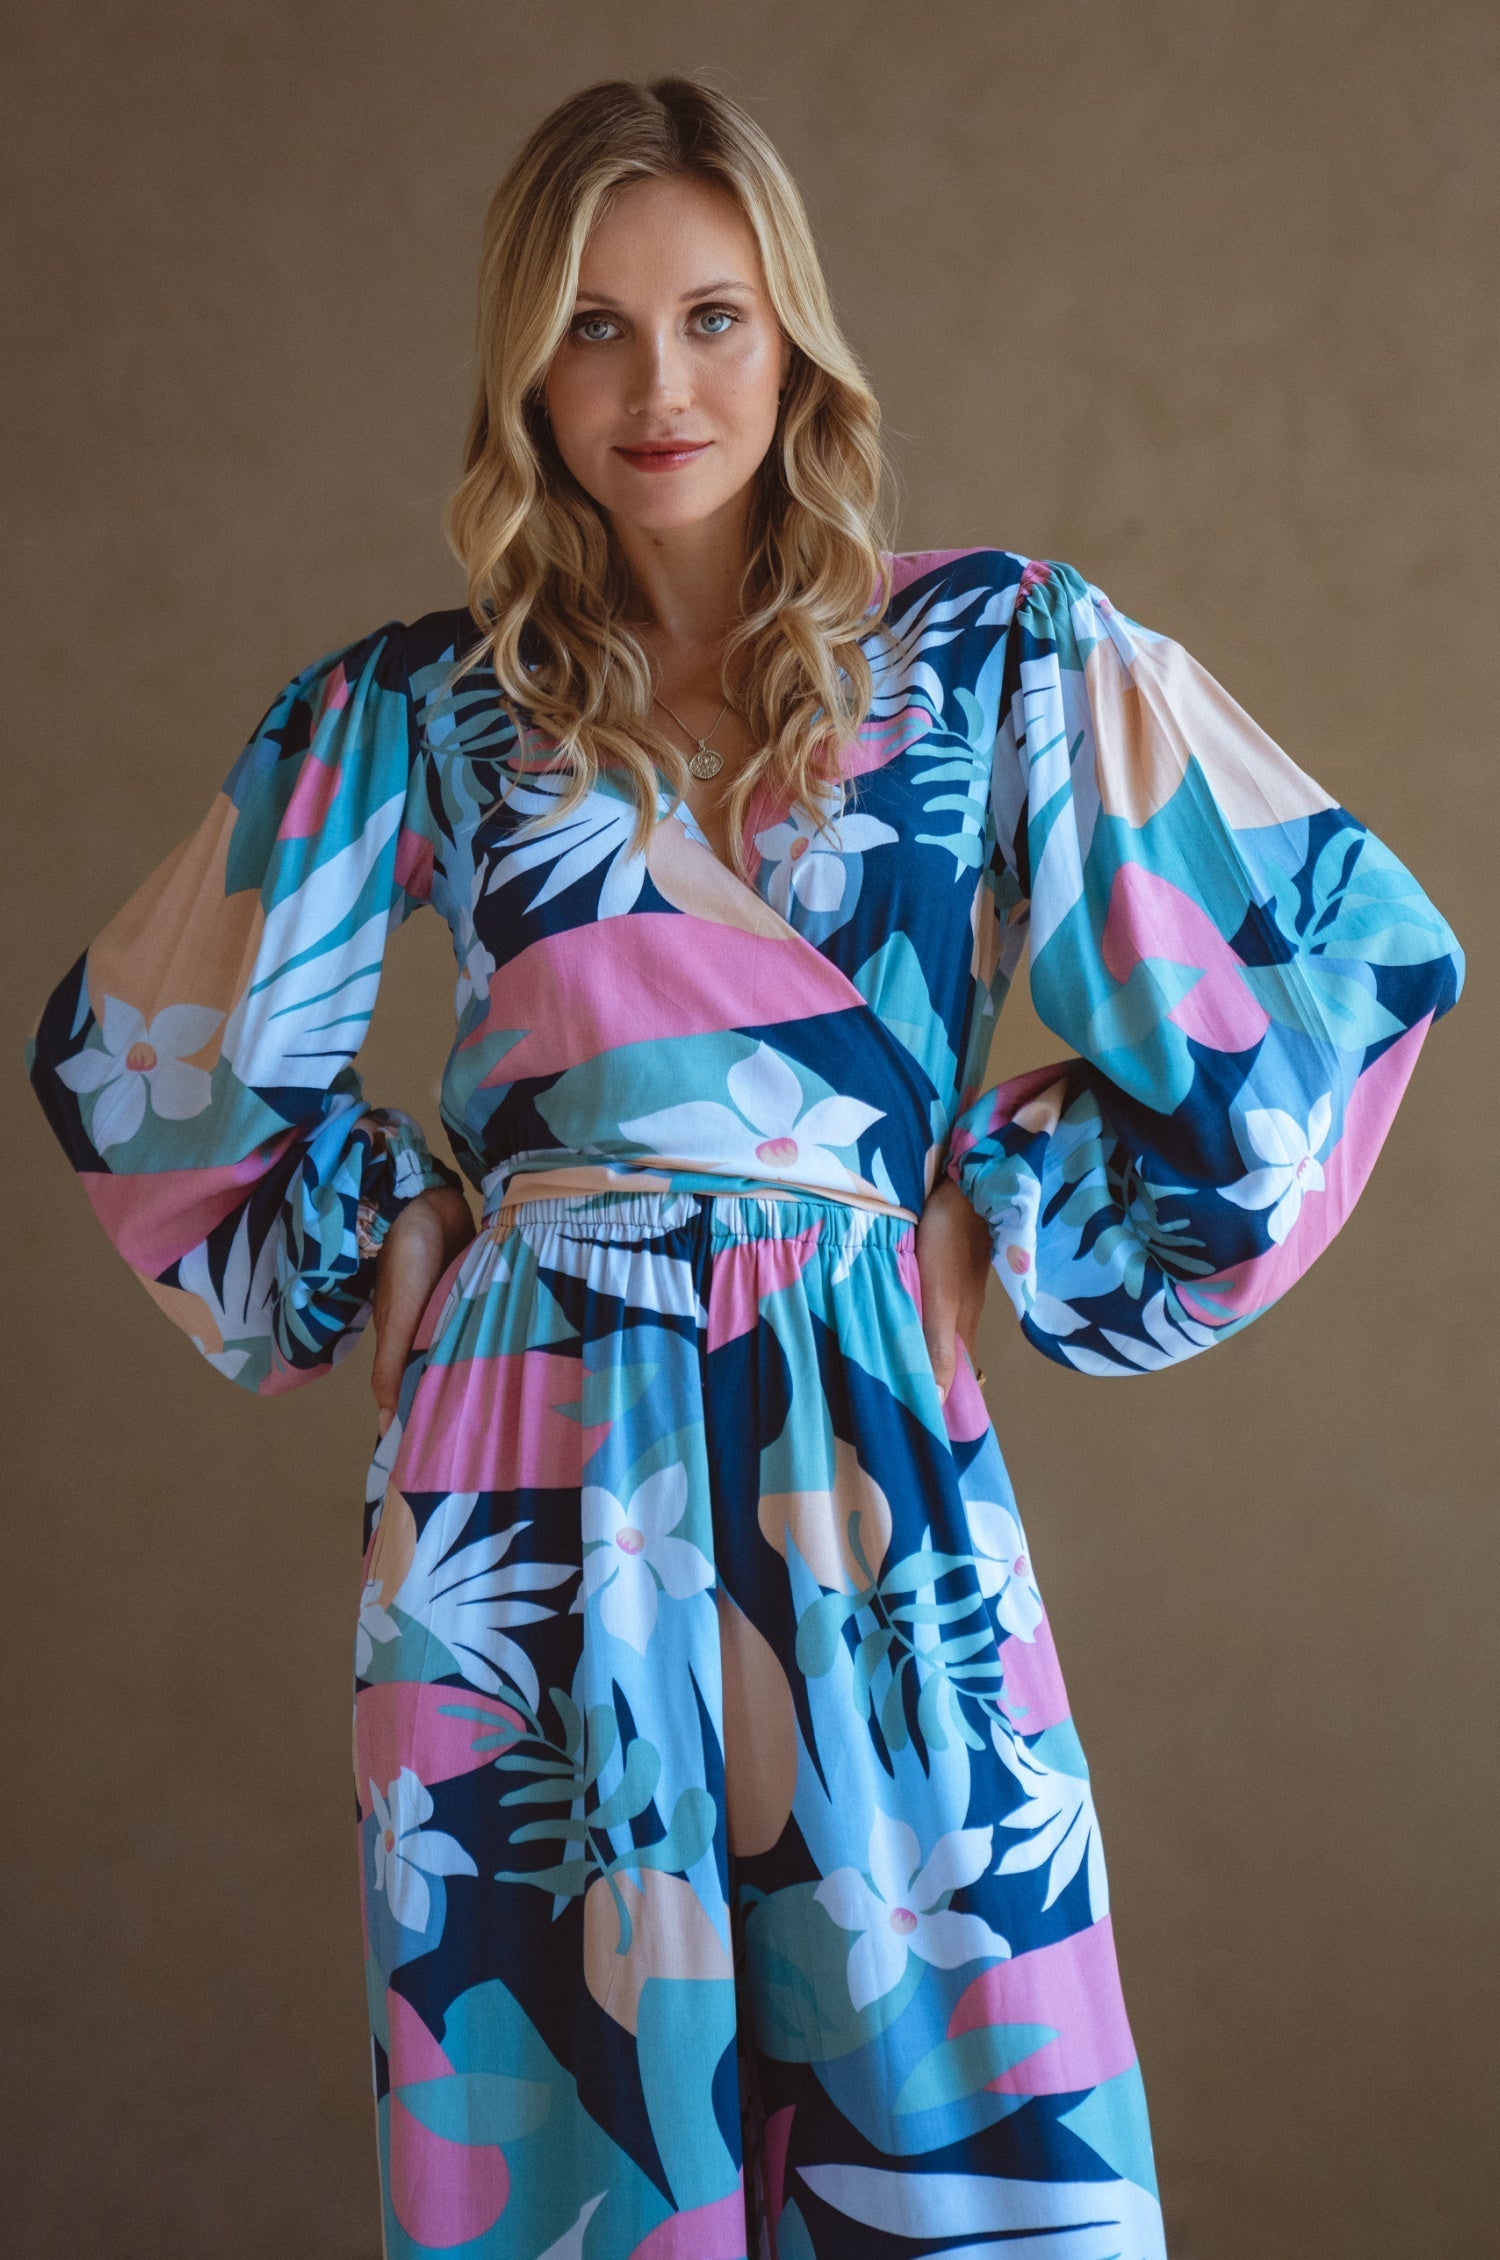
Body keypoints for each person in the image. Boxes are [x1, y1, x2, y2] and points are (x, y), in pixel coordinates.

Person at [27, 73, 1463, 2260]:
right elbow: (140, 1066)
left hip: (857, 1443)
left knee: (963, 2117)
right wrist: (397, 1228)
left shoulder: (994, 652)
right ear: (527, 367)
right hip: (528, 1476)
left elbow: (1344, 957)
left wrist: (1010, 1208)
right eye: (592, 328)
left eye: (710, 317)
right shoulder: (430, 708)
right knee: (585, 2146)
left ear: (793, 339)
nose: (657, 387)